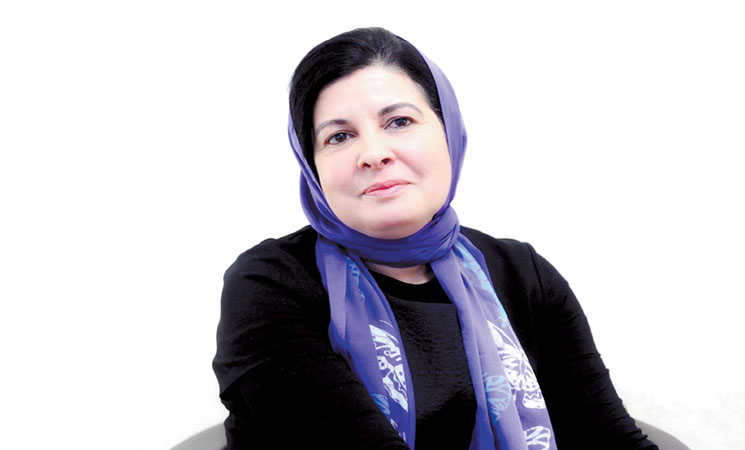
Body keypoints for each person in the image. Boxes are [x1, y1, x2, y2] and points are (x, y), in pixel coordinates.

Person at [213, 27, 658, 449]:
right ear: (312, 166)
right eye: (339, 136)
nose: (374, 153)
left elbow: (610, 439)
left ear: (449, 132)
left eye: (399, 121)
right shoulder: (269, 285)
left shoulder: (523, 275)